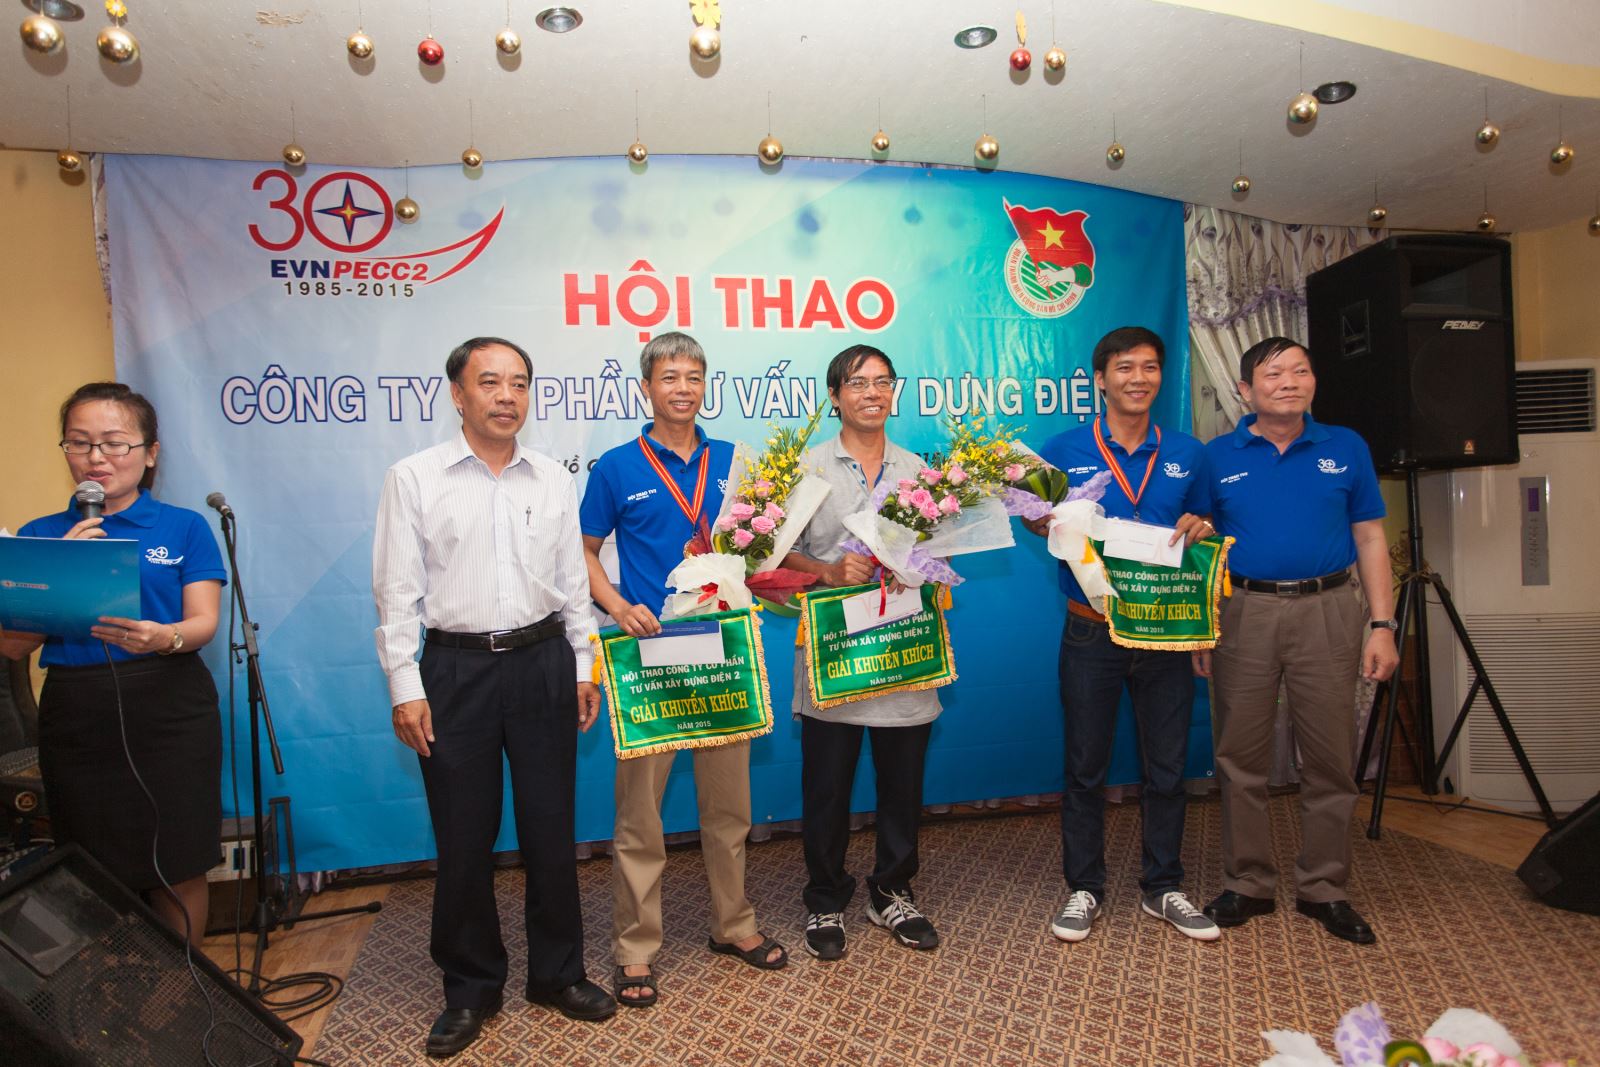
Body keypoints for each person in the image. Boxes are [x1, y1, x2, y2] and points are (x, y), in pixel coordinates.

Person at [373, 337, 614, 1059]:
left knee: (550, 828)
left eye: (518, 383)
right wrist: (405, 684)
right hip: (455, 670)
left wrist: (583, 665)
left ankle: (558, 974)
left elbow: (573, 585)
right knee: (463, 837)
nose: (506, 396)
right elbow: (396, 591)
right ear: (458, 394)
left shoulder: (553, 478)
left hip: (543, 663)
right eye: (489, 382)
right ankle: (471, 987)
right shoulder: (414, 477)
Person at [579, 332, 787, 1009]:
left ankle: (734, 924)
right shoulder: (616, 467)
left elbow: (763, 548)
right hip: (652, 658)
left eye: (694, 376)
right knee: (641, 816)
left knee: (729, 807)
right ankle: (635, 947)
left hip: (725, 653)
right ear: (646, 388)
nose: (683, 388)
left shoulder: (735, 461)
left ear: (705, 386)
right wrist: (617, 606)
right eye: (669, 376)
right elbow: (581, 551)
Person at [0, 382, 225, 945]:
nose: (96, 457)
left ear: (150, 452)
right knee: (92, 863)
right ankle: (115, 987)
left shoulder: (184, 526)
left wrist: (164, 637)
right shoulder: (40, 536)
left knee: (178, 859)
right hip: (77, 711)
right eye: (79, 443)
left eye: (114, 442)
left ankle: (185, 983)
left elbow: (203, 622)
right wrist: (62, 574)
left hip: (170, 705)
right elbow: (13, 646)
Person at [1193, 336, 1398, 946]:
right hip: (1243, 611)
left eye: (1301, 371)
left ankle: (1325, 887)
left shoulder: (1346, 447)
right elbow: (1201, 545)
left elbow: (1370, 539)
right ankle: (1248, 882)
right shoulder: (1216, 456)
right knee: (1239, 755)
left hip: (1329, 610)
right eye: (1273, 373)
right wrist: (1202, 625)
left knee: (1331, 755)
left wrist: (1382, 626)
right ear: (1245, 390)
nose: (1289, 382)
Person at [1027, 327, 1221, 944]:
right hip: (1092, 632)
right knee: (1085, 766)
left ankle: (1163, 886)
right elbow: (1037, 522)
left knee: (1167, 767)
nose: (1139, 378)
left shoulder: (1188, 452)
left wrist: (1202, 524)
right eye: (1126, 367)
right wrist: (1046, 520)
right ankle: (1084, 887)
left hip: (1165, 632)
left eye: (1150, 367)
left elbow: (1207, 523)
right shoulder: (1063, 448)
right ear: (1101, 379)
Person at [780, 344, 940, 960]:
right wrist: (826, 571)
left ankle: (892, 890)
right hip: (835, 652)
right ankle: (825, 896)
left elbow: (940, 549)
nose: (872, 392)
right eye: (857, 382)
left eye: (882, 381)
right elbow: (772, 552)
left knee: (903, 780)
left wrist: (915, 565)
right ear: (834, 396)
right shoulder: (807, 467)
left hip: (903, 645)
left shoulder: (920, 471)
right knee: (828, 784)